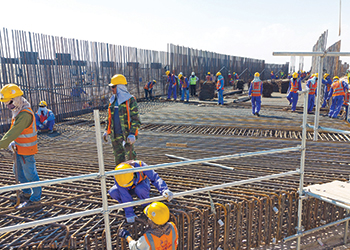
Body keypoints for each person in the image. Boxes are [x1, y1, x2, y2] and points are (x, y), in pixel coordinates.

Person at [0, 84, 41, 208]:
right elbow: (14, 131)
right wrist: (12, 141)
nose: (8, 106)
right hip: (19, 148)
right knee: (17, 171)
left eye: (10, 102)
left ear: (17, 98)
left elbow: (14, 131)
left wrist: (3, 143)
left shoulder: (24, 114)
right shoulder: (18, 110)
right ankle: (27, 192)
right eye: (6, 103)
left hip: (27, 149)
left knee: (30, 174)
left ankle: (36, 198)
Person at [108, 161, 174, 223]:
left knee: (140, 189)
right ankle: (125, 207)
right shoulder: (118, 174)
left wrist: (164, 189)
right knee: (113, 192)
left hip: (141, 185)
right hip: (127, 189)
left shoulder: (141, 165)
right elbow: (124, 194)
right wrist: (129, 213)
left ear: (133, 174)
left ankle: (146, 206)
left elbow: (155, 178)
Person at [103, 74, 141, 165]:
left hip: (126, 135)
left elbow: (136, 119)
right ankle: (121, 177)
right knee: (118, 158)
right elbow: (109, 118)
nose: (112, 89)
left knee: (131, 157)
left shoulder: (130, 100)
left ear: (119, 87)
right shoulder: (113, 100)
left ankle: (135, 176)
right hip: (115, 135)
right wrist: (106, 130)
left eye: (113, 86)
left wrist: (132, 134)